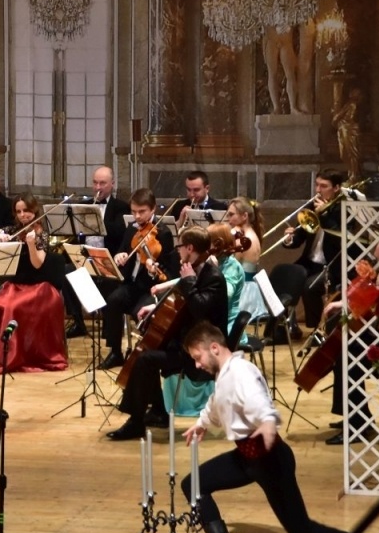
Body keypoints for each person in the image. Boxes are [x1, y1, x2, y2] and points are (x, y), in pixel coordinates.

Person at [181, 322, 379, 533]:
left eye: (197, 357)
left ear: (214, 348)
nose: (197, 364)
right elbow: (217, 401)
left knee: (302, 531)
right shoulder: (226, 374)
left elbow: (258, 400)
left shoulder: (241, 373)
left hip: (270, 462)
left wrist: (268, 421)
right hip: (248, 458)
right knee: (194, 484)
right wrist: (202, 423)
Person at [106, 225, 226, 441]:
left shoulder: (212, 276)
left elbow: (200, 309)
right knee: (147, 350)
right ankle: (158, 412)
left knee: (145, 359)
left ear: (190, 248)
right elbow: (182, 303)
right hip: (188, 339)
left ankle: (136, 421)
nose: (177, 250)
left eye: (180, 246)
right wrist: (155, 307)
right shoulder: (194, 270)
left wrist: (188, 281)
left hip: (203, 350)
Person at [0, 194, 69, 374]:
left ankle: (11, 356)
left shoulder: (41, 233)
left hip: (38, 286)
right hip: (15, 284)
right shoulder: (13, 229)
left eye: (26, 211)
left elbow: (37, 264)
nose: (23, 215)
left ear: (34, 210)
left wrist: (31, 244)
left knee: (11, 307)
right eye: (19, 211)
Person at [99, 189, 175, 370]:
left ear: (153, 209)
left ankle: (144, 355)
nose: (137, 216)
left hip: (151, 287)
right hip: (131, 284)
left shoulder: (163, 233)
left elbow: (168, 270)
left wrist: (153, 269)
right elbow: (122, 250)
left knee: (140, 312)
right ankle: (115, 352)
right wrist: (119, 256)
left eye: (142, 212)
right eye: (134, 212)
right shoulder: (132, 229)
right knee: (113, 301)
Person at [281, 171, 346, 327]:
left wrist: (324, 215)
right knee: (285, 279)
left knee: (310, 288)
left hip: (333, 265)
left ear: (336, 188)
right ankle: (287, 326)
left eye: (323, 186)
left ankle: (316, 328)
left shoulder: (343, 210)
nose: (317, 190)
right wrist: (290, 238)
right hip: (310, 262)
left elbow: (340, 240)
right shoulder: (312, 206)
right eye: (317, 185)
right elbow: (299, 236)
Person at [224, 198, 270, 335]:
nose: (227, 218)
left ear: (244, 216)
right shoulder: (250, 233)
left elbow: (231, 266)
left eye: (231, 215)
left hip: (244, 291)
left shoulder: (244, 240)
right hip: (250, 288)